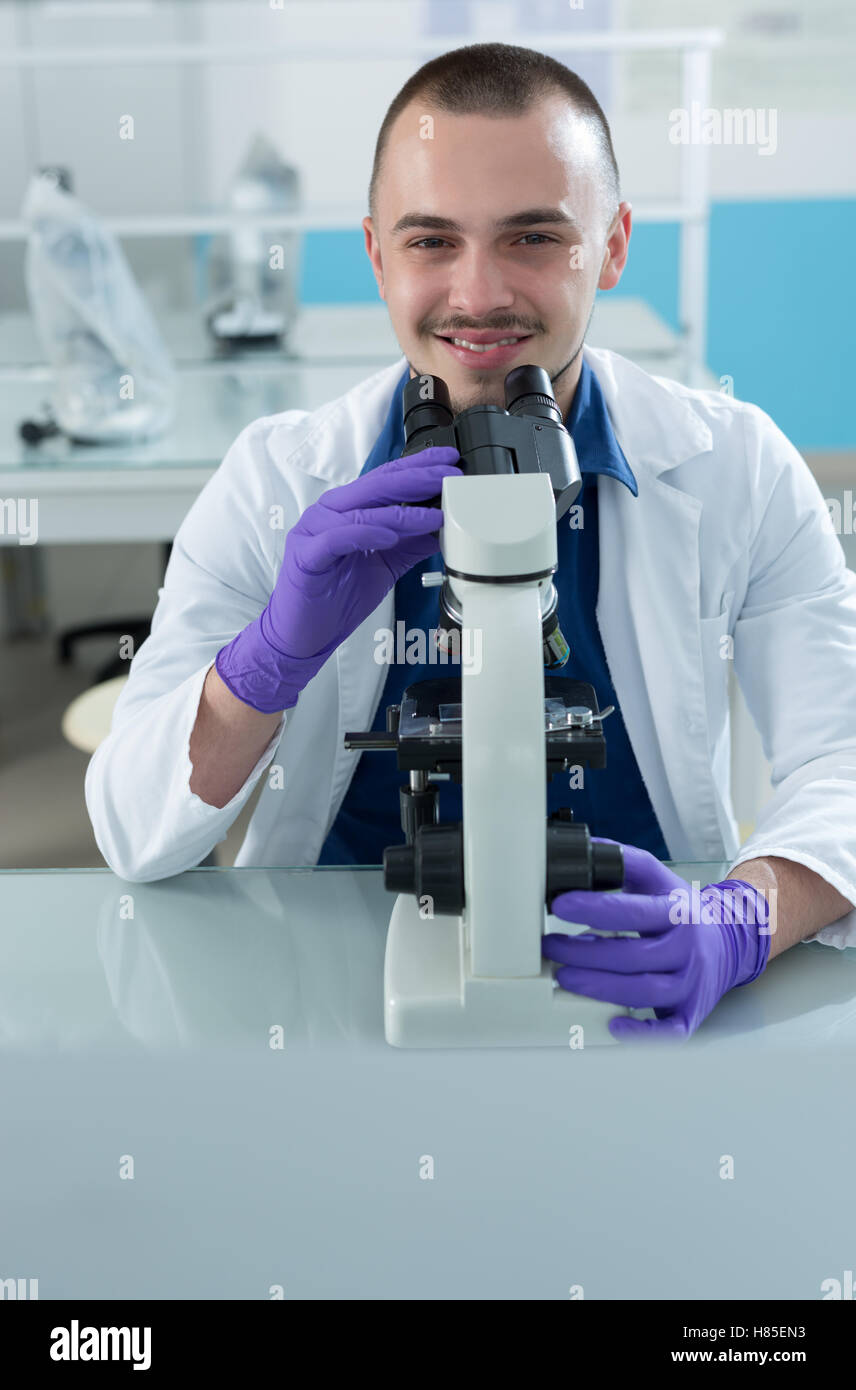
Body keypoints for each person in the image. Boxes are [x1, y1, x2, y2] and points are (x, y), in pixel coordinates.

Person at [86, 43, 856, 1040]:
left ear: (612, 245)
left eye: (533, 238)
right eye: (431, 241)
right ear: (375, 254)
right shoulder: (277, 479)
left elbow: (842, 763)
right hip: (325, 998)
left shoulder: (735, 467)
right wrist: (264, 663)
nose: (479, 292)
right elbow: (129, 828)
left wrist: (746, 918)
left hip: (640, 986)